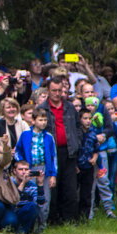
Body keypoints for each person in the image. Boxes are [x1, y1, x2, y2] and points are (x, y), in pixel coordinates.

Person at [37, 77, 81, 225]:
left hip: (69, 152)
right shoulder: (42, 109)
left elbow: (78, 127)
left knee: (70, 188)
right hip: (51, 154)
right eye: (53, 90)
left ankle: (70, 220)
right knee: (52, 187)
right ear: (48, 91)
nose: (57, 94)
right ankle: (53, 220)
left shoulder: (69, 107)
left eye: (59, 90)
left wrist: (77, 142)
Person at [15, 108, 57, 229]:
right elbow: (18, 151)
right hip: (29, 168)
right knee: (30, 195)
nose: (43, 122)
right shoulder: (25, 135)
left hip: (44, 169)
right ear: (33, 121)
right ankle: (30, 224)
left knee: (44, 198)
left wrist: (53, 174)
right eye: (40, 120)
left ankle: (42, 224)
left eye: (45, 120)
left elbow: (54, 157)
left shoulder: (49, 137)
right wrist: (23, 166)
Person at [0, 159, 41, 234]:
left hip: (23, 210)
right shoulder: (9, 182)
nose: (24, 172)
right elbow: (12, 201)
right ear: (14, 171)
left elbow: (39, 204)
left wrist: (40, 184)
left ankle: (25, 231)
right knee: (10, 220)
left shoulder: (32, 185)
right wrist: (23, 183)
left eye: (26, 169)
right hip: (11, 209)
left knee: (32, 206)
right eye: (21, 169)